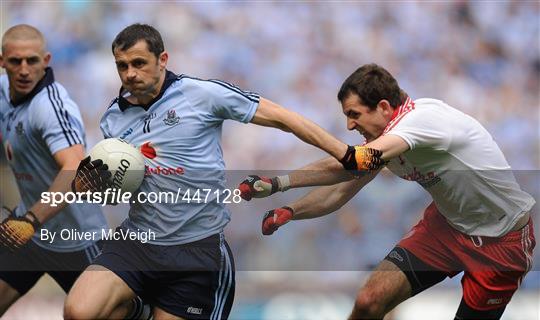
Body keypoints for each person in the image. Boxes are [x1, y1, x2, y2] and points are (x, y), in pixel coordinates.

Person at [63, 23, 373, 320]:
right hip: (137, 241)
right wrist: (98, 187)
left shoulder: (202, 94)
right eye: (122, 65)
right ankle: (141, 311)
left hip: (196, 251)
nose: (130, 74)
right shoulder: (112, 119)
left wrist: (344, 153)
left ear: (163, 60)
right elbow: (124, 184)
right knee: (79, 311)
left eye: (139, 63)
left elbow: (281, 117)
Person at [239, 63, 536, 320]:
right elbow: (339, 192)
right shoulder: (388, 141)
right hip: (446, 228)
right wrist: (289, 209)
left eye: (354, 113)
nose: (349, 124)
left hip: (502, 240)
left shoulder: (421, 121)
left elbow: (354, 162)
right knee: (369, 301)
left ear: (383, 107)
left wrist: (295, 131)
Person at [0, 24, 150, 320]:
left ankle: (139, 310)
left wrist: (30, 220)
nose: (24, 69)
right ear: (2, 61)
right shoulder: (4, 93)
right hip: (30, 235)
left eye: (32, 60)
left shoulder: (50, 108)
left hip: (76, 238)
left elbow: (74, 166)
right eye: (16, 61)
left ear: (46, 60)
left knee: (93, 314)